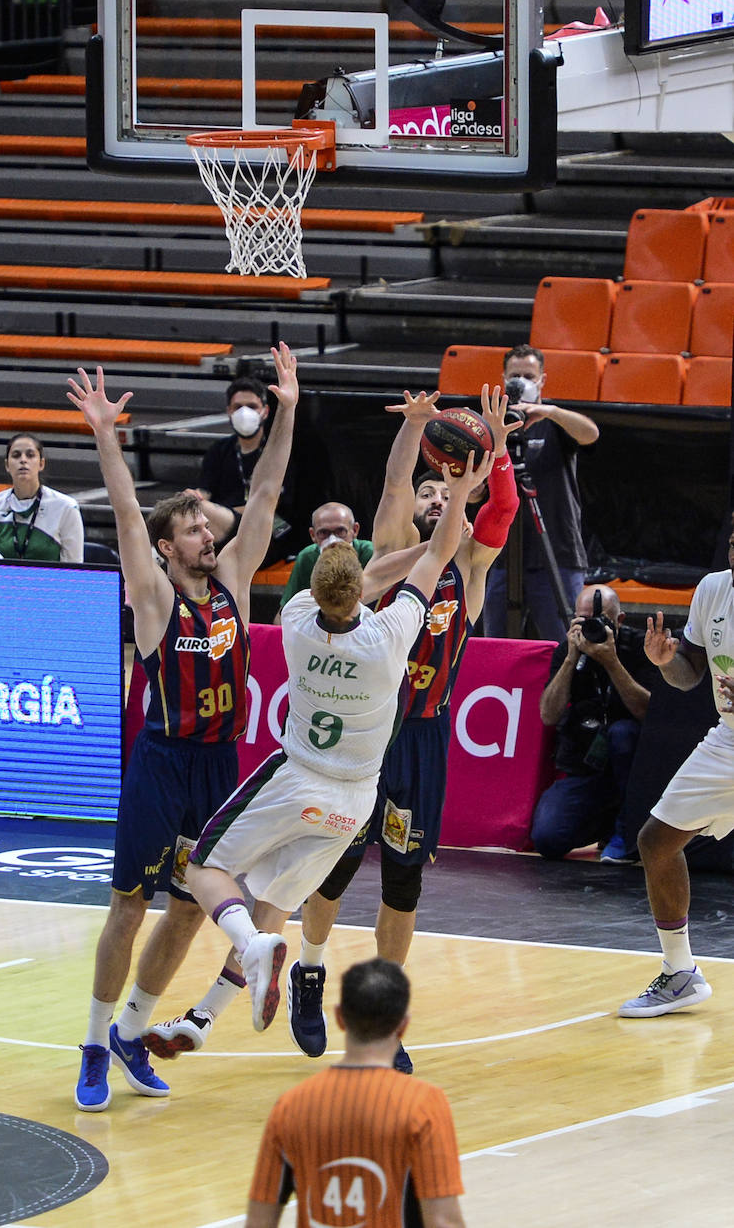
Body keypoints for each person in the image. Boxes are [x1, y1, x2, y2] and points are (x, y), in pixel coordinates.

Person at [143, 433, 490, 1057]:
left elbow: (369, 574)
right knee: (275, 901)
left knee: (202, 867)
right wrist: (462, 488)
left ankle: (250, 948)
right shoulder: (390, 638)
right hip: (353, 800)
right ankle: (201, 1019)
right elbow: (435, 556)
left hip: (298, 775)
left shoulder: (298, 619)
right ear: (361, 595)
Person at [66, 345, 299, 1110]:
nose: (208, 533)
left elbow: (265, 493)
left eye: (207, 522)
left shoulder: (233, 585)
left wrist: (288, 410)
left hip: (220, 763)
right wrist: (106, 433)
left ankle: (135, 1030)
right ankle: (97, 1045)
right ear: (169, 548)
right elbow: (129, 514)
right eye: (193, 528)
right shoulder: (158, 599)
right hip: (162, 762)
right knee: (129, 907)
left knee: (191, 909)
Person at [283, 385, 520, 1072]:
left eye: (449, 494)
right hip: (368, 734)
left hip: (422, 738)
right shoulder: (391, 556)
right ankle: (311, 969)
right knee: (334, 864)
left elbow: (501, 510)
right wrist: (416, 428)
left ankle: (383, 1019)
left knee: (404, 883)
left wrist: (497, 452)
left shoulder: (471, 568)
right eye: (429, 493)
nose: (437, 499)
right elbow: (392, 486)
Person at [244, 958, 467, 1228]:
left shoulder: (290, 1106)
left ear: (339, 1018)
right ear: (403, 1025)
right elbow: (443, 1221)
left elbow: (258, 1222)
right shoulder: (424, 1104)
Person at [617, 517, 734, 1017]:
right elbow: (689, 672)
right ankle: (680, 972)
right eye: (733, 540)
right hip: (729, 741)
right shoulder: (713, 590)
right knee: (655, 842)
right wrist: (666, 662)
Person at [482, 345, 600, 643]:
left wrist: (549, 411)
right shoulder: (491, 425)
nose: (521, 382)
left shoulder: (555, 421)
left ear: (542, 380)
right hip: (499, 554)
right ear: (503, 378)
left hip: (557, 549)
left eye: (529, 376)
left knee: (565, 643)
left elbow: (591, 434)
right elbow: (475, 493)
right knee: (495, 643)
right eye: (515, 375)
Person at [532, 584, 652, 863]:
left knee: (623, 733)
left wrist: (612, 664)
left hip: (634, 773)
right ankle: (605, 823)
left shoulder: (638, 647)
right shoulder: (568, 651)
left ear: (619, 620)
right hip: (585, 769)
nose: (593, 628)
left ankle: (625, 829)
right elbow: (548, 715)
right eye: (584, 621)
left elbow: (649, 712)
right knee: (547, 839)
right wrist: (571, 660)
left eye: (601, 621)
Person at [193, 374, 296, 564]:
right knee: (190, 507)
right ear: (229, 411)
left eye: (252, 406)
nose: (244, 412)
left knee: (201, 513)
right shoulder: (219, 450)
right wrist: (193, 496)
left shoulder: (278, 452)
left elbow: (273, 503)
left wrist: (222, 509)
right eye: (238, 407)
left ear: (265, 411)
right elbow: (204, 491)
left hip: (271, 530)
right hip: (226, 531)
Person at [0, 433, 84, 563]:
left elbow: (74, 566)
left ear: (41, 464)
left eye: (30, 455)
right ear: (7, 465)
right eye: (16, 455)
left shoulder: (66, 507)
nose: (23, 460)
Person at [275, 500, 373, 622]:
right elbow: (284, 613)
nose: (333, 540)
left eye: (340, 531)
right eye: (323, 533)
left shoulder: (370, 554)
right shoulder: (307, 557)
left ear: (355, 530)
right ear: (313, 535)